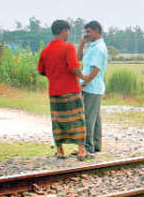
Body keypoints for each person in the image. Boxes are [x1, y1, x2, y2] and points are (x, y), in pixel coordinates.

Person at [37, 20, 89, 160]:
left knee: (58, 121)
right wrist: (83, 76)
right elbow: (74, 67)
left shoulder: (45, 50)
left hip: (54, 92)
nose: (68, 34)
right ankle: (81, 150)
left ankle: (60, 151)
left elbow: (41, 70)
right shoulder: (68, 48)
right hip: (70, 90)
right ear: (64, 30)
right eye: (68, 31)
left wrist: (54, 75)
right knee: (77, 119)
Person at [77, 20, 108, 155]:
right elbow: (78, 58)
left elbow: (95, 70)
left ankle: (88, 148)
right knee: (95, 118)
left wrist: (84, 83)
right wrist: (82, 43)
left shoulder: (99, 48)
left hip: (92, 87)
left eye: (89, 31)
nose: (87, 34)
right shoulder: (93, 46)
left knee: (88, 118)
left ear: (96, 31)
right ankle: (96, 145)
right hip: (90, 87)